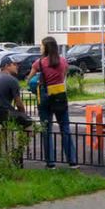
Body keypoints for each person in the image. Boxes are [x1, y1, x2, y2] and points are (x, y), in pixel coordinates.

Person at [30, 36, 77, 168]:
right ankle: (72, 161)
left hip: (45, 97)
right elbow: (63, 76)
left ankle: (50, 163)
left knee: (47, 129)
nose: (40, 47)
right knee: (65, 128)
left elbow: (29, 78)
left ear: (46, 47)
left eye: (41, 45)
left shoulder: (39, 63)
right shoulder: (63, 61)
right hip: (60, 95)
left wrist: (38, 81)